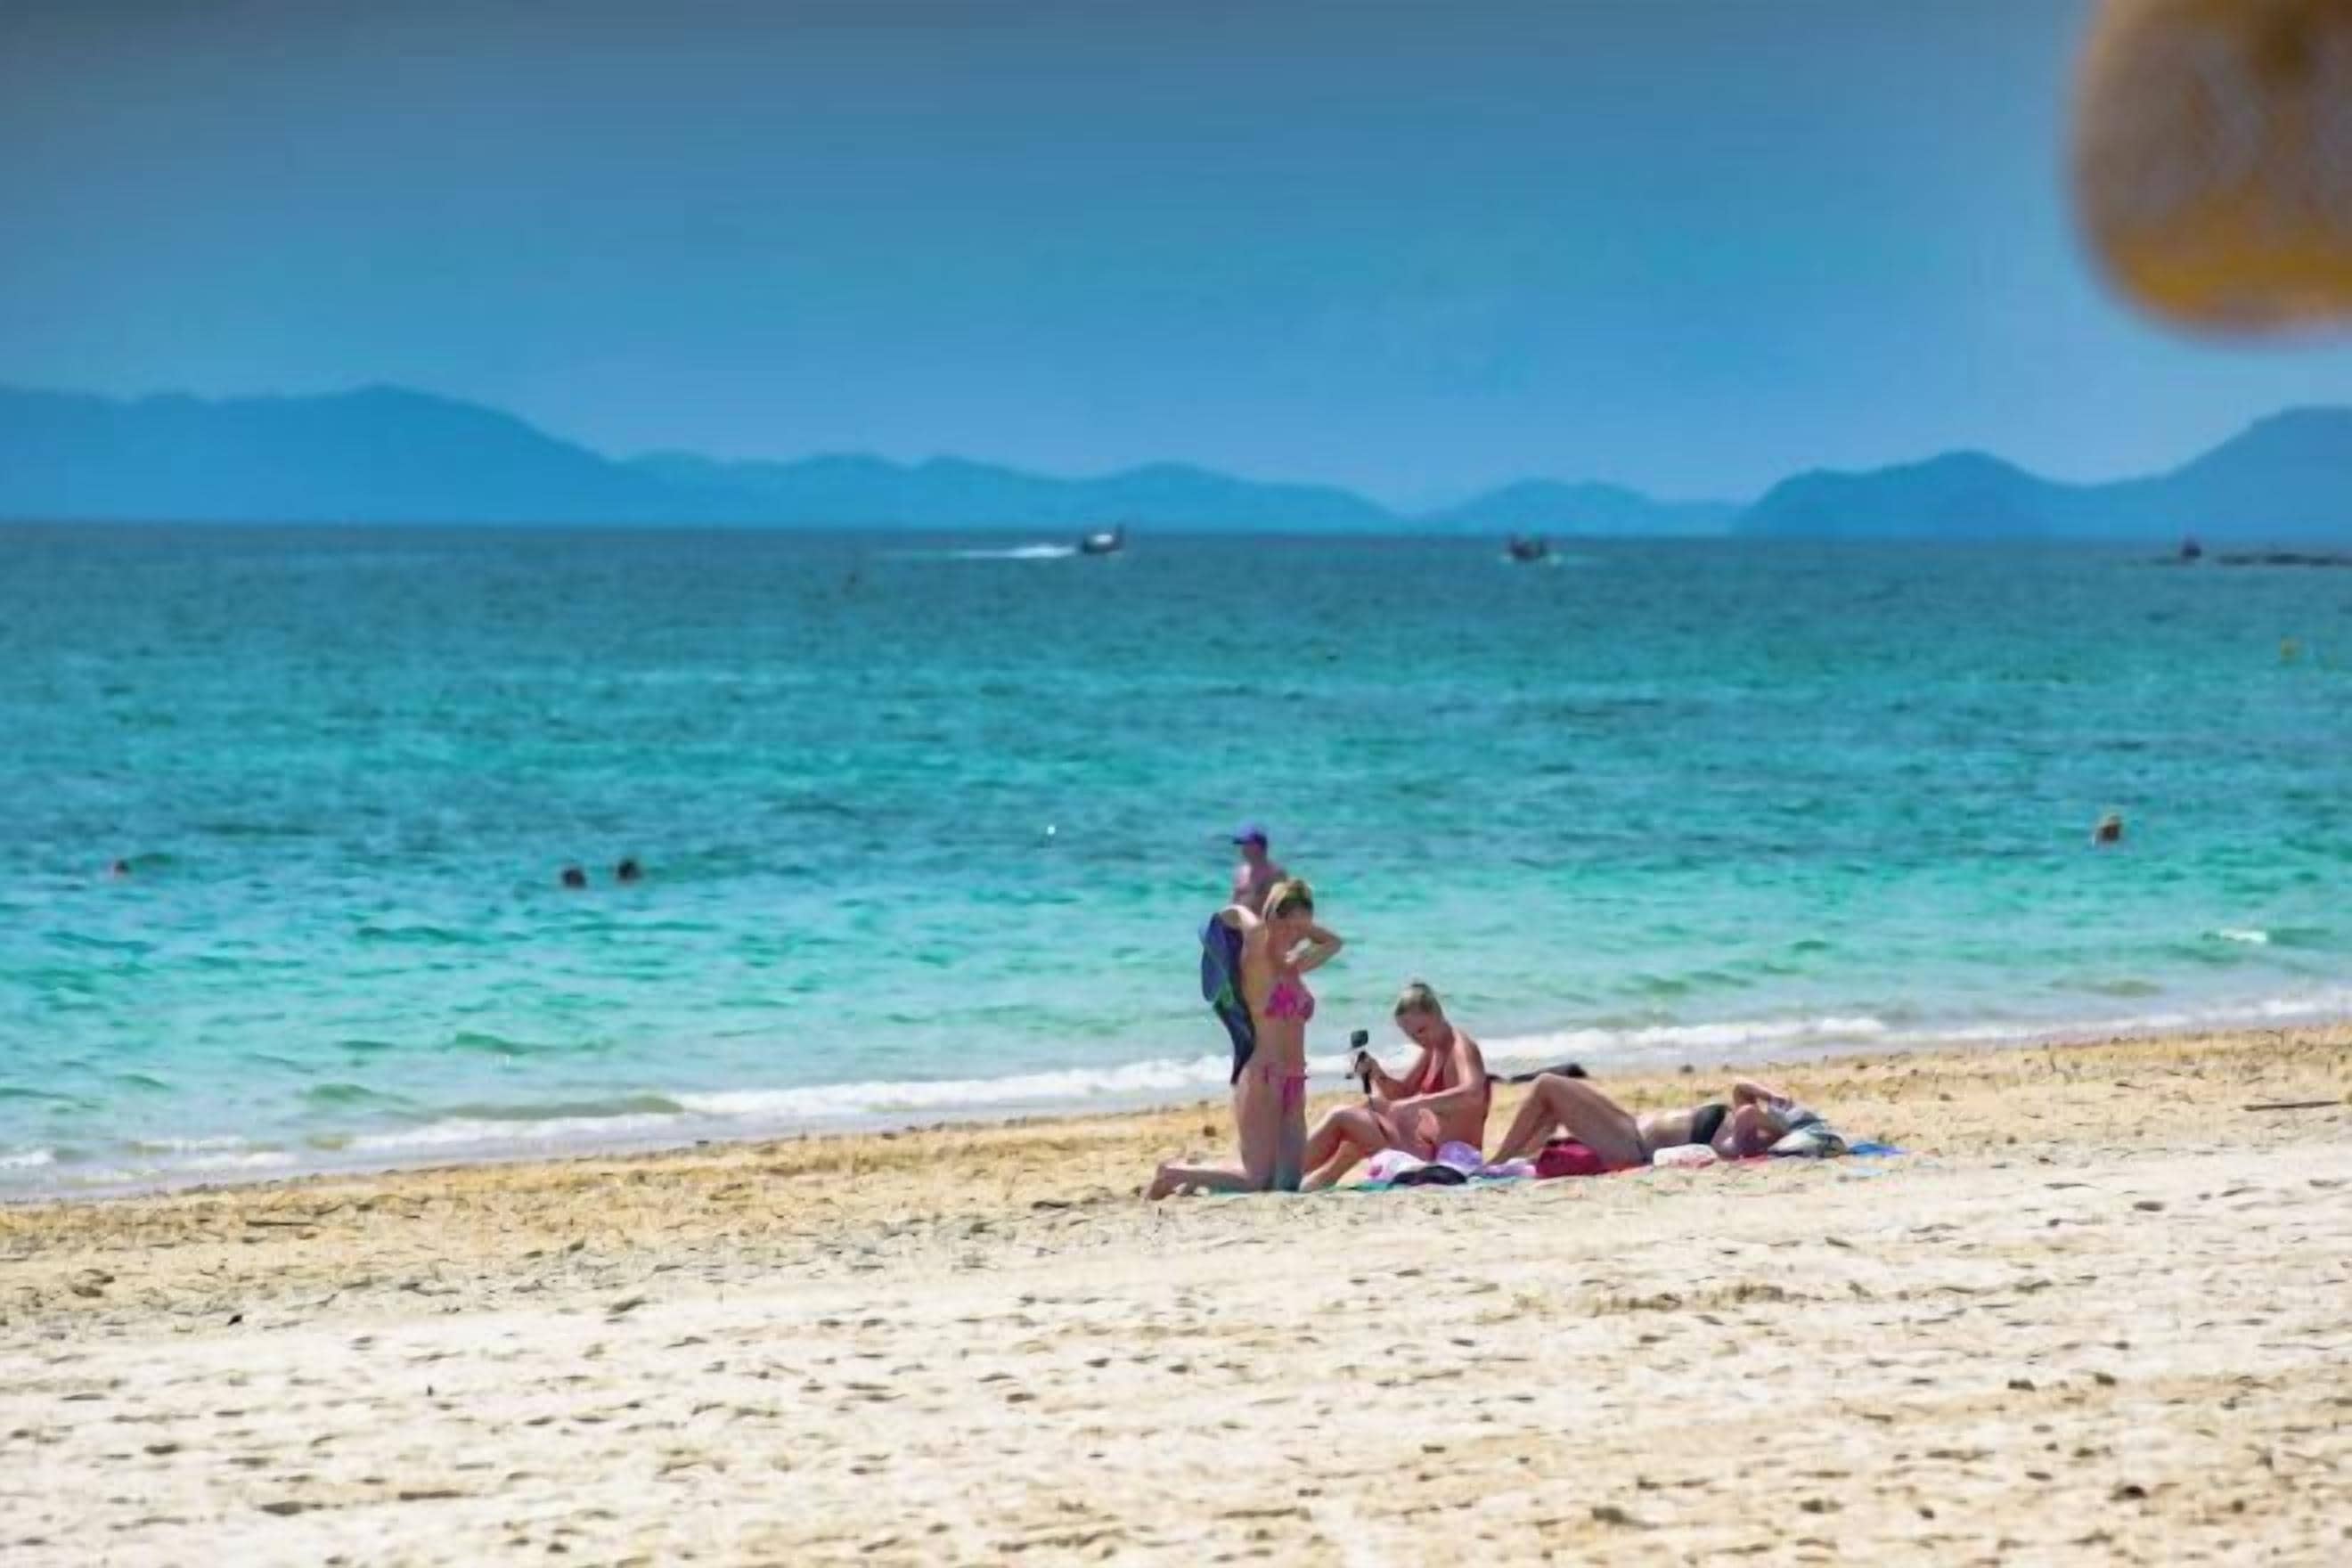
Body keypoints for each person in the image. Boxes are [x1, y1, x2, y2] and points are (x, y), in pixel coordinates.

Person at [1149, 878, 1342, 1198]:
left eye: (1301, 929)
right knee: (1256, 1180)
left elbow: (1335, 943)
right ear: (1271, 919)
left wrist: (1301, 925)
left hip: (1295, 1080)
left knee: (1286, 1186)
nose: (1294, 936)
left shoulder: (1294, 968)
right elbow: (1239, 924)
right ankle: (1172, 1173)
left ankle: (1200, 1177)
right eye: (1287, 925)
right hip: (1262, 1077)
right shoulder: (1257, 962)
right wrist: (1250, 914)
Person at [1299, 981, 1490, 1190]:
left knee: (1342, 1115)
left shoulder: (1460, 1047)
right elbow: (1403, 1093)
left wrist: (1415, 1104)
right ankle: (1322, 1177)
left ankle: (1290, 1172)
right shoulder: (1433, 1048)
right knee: (1373, 1108)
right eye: (1411, 1035)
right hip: (1426, 1145)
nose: (1418, 1039)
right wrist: (1377, 1074)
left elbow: (1473, 1093)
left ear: (1438, 1015)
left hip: (1448, 1159)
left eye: (1422, 1030)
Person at [1487, 1073, 1804, 1171]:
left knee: (1547, 1086)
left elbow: (1748, 1116)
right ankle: (1513, 1161)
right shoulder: (1743, 1120)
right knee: (1551, 1105)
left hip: (1631, 1145)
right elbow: (1740, 1088)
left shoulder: (1745, 1141)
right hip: (1628, 1124)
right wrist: (1771, 1094)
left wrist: (1778, 1123)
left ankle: (1498, 1162)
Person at [1229, 823, 1287, 915]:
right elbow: (1233, 902)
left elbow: (1282, 907)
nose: (1242, 849)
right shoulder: (1241, 872)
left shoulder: (1276, 874)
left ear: (1259, 847)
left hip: (1264, 924)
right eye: (1242, 845)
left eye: (1246, 844)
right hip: (1241, 922)